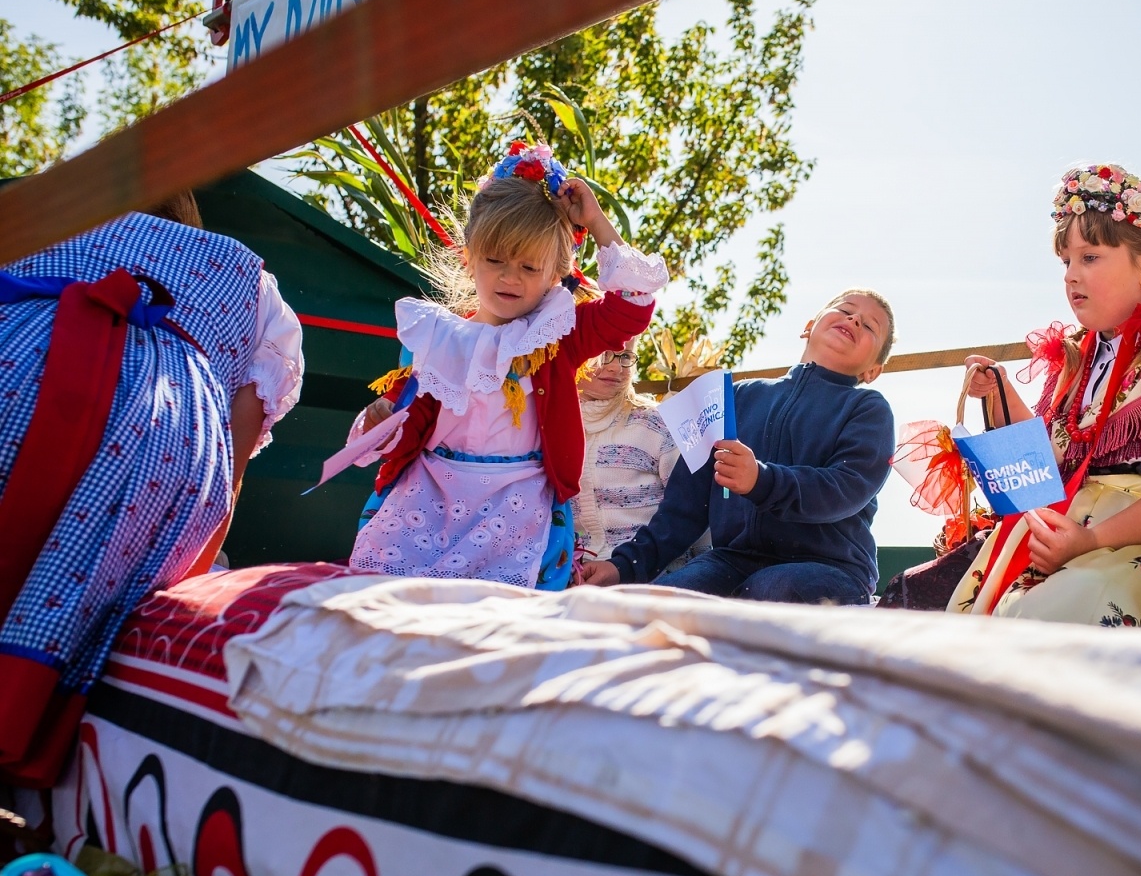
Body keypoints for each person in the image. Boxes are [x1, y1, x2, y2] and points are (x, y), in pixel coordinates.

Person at [0, 192, 304, 785]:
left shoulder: (37, 222)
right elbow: (233, 454)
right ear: (190, 224)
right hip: (157, 432)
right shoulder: (249, 281)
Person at [947, 163, 1141, 625]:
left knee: (1069, 605)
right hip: (1065, 530)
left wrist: (1091, 541)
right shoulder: (1082, 357)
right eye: (1066, 262)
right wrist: (1001, 392)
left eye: (1089, 258)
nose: (1071, 275)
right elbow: (1053, 460)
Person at [348, 141, 665, 588]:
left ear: (557, 270)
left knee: (504, 625)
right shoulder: (436, 338)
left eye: (529, 267)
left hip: (517, 510)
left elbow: (632, 306)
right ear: (470, 255)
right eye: (494, 260)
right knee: (397, 606)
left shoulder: (560, 335)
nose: (509, 277)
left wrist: (595, 222)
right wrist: (380, 420)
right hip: (429, 503)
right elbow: (407, 421)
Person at [578, 289, 897, 605]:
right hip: (733, 560)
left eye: (870, 326)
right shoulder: (735, 397)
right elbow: (682, 510)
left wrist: (762, 481)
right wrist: (622, 566)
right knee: (668, 600)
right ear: (809, 326)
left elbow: (845, 489)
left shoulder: (869, 409)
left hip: (832, 568)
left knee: (769, 589)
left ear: (873, 371)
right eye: (845, 309)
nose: (854, 319)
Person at [572, 337, 686, 563]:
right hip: (573, 572)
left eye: (625, 356)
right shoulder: (549, 427)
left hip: (653, 568)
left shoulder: (656, 422)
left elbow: (687, 508)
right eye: (602, 354)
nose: (616, 366)